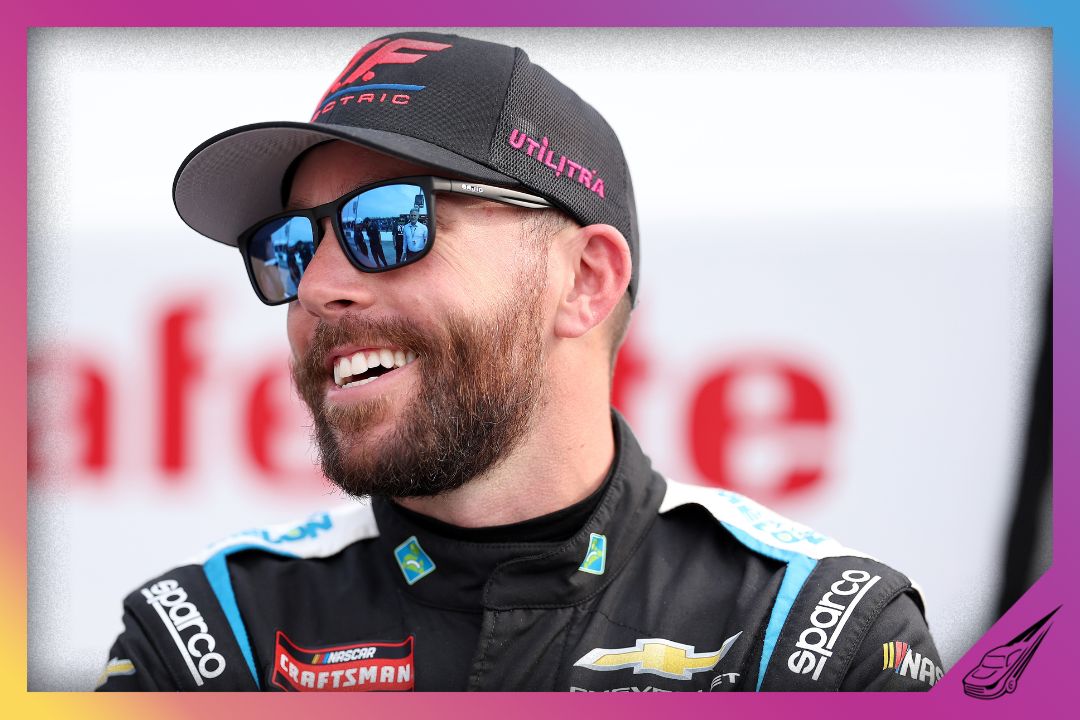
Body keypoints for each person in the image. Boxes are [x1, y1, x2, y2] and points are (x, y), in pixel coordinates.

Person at [97, 31, 941, 692]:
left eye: (388, 223)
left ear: (584, 280)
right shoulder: (210, 642)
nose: (316, 287)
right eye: (288, 245)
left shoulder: (809, 639)